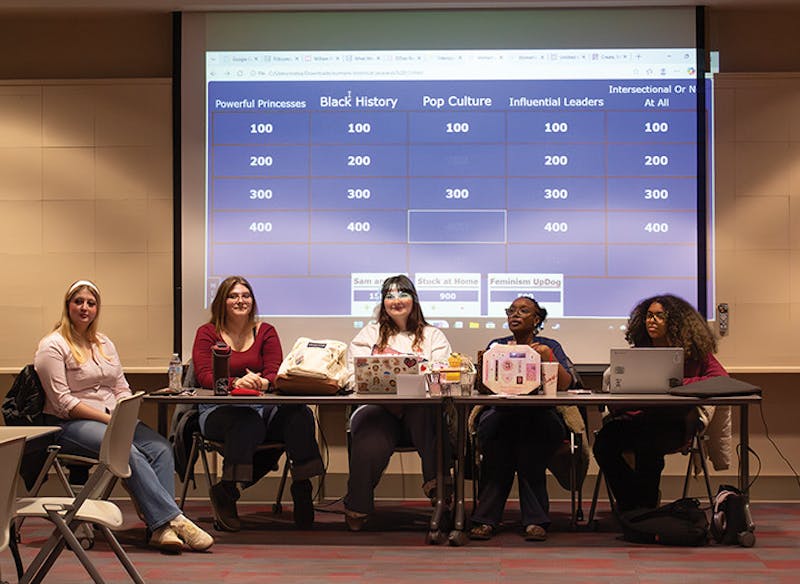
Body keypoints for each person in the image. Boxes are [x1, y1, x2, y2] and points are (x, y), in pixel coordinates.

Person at [34, 280, 214, 554]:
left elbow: (120, 386)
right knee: (126, 450)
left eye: (91, 303)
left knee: (161, 449)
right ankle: (174, 518)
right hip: (69, 424)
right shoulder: (53, 345)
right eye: (78, 302)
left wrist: (123, 410)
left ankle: (160, 529)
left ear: (97, 309)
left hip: (112, 419)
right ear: (67, 306)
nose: (85, 308)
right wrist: (110, 421)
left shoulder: (103, 343)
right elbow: (63, 402)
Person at [192, 275, 324, 532]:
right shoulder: (207, 333)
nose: (240, 300)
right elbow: (205, 376)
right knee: (246, 422)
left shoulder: (266, 332)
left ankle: (302, 486)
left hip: (261, 407)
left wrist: (263, 383)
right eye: (233, 296)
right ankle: (228, 491)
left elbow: (277, 372)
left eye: (245, 295)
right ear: (222, 301)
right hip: (218, 411)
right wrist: (236, 383)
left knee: (300, 415)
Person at [592, 293, 729, 512]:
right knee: (604, 443)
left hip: (674, 424)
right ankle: (633, 505)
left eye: (659, 316)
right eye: (648, 316)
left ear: (675, 323)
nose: (651, 321)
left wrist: (676, 384)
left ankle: (642, 509)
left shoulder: (696, 356)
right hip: (635, 420)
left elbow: (721, 380)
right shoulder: (636, 355)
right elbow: (619, 398)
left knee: (648, 445)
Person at [468, 295, 581, 542]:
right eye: (511, 311)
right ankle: (529, 519)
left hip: (541, 416)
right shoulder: (496, 345)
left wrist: (547, 355)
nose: (514, 315)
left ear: (536, 319)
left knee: (528, 439)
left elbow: (566, 384)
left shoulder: (549, 345)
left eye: (523, 310)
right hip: (500, 414)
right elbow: (482, 387)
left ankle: (492, 519)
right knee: (504, 436)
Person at [344, 275, 452, 531]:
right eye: (389, 296)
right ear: (383, 303)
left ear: (413, 299)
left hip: (420, 410)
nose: (396, 301)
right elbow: (351, 376)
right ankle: (357, 505)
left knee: (428, 414)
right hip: (378, 409)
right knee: (370, 434)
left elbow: (442, 374)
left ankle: (439, 492)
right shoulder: (368, 334)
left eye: (402, 294)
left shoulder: (433, 335)